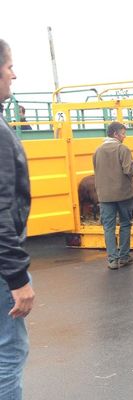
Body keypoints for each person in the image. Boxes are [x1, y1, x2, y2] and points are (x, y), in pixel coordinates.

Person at [0, 38, 35, 400]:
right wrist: (17, 277)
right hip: (1, 267)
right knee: (9, 353)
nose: (14, 74)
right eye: (10, 66)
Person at [93, 121, 133, 269]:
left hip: (105, 196)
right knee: (125, 224)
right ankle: (124, 256)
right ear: (115, 134)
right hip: (123, 195)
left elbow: (97, 169)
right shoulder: (122, 149)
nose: (124, 137)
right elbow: (131, 170)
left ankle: (112, 260)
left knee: (108, 227)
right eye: (123, 133)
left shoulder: (97, 151)